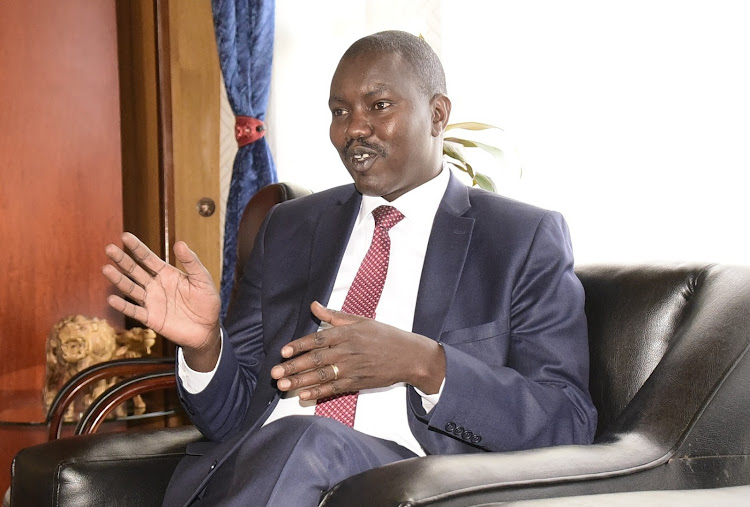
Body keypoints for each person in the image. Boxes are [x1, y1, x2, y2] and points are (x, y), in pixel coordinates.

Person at [103, 30, 597, 506]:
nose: (353, 128)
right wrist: (206, 346)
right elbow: (232, 419)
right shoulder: (290, 229)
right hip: (266, 474)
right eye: (340, 112)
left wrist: (425, 364)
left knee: (310, 439)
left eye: (378, 106)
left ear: (437, 114)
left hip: (413, 482)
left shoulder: (518, 239)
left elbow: (567, 422)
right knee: (295, 440)